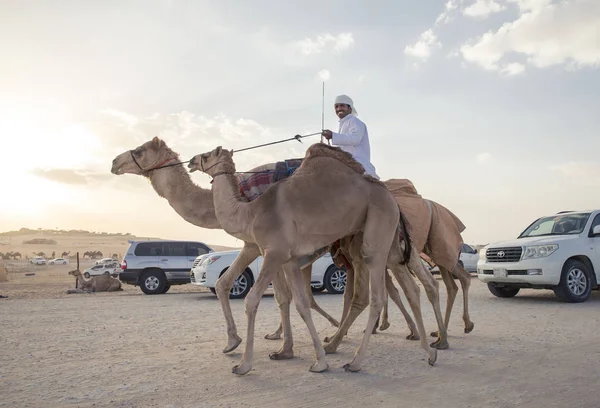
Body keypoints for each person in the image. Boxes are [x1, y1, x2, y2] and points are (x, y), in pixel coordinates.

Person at [321, 94, 379, 180]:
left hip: (358, 164)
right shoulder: (343, 124)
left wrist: (333, 135)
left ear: (350, 108)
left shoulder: (355, 121)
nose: (339, 109)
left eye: (342, 106)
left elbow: (355, 139)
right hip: (345, 163)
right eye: (336, 107)